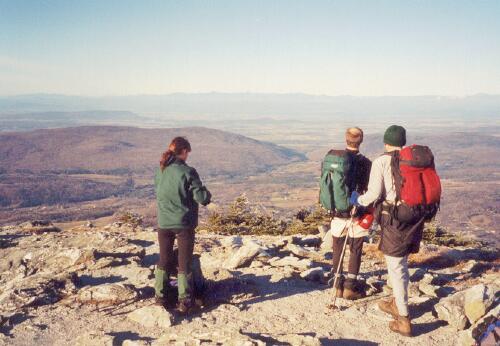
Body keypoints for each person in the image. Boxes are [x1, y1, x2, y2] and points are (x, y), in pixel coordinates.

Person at [350, 125, 424, 337]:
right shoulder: (413, 161)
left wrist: (357, 199)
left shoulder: (382, 161)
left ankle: (404, 319)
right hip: (415, 217)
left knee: (396, 266)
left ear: (386, 142)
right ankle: (395, 301)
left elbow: (373, 194)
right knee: (401, 262)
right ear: (403, 142)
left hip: (395, 219)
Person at [154, 136, 211, 313]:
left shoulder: (161, 170)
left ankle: (160, 297)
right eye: (188, 153)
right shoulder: (188, 171)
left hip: (163, 223)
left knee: (164, 260)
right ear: (184, 151)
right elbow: (202, 198)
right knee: (184, 262)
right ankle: (185, 301)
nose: (188, 156)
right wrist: (206, 194)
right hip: (183, 223)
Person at [329, 127, 372, 300]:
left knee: (337, 246)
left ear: (346, 139)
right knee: (355, 249)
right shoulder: (366, 163)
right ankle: (350, 287)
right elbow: (370, 189)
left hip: (338, 212)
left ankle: (336, 285)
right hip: (358, 212)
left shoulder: (335, 160)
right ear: (360, 141)